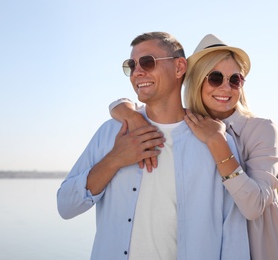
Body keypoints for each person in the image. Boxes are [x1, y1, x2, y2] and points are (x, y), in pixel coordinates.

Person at [110, 34, 278, 260]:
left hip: (262, 246)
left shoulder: (261, 129)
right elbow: (129, 104)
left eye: (235, 79)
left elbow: (254, 206)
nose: (226, 87)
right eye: (215, 78)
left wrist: (217, 142)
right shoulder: (184, 124)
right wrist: (125, 113)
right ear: (197, 80)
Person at [57, 32, 250, 260]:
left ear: (179, 68)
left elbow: (233, 232)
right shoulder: (111, 132)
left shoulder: (216, 140)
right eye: (131, 65)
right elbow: (66, 206)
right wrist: (115, 159)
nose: (138, 71)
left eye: (148, 62)